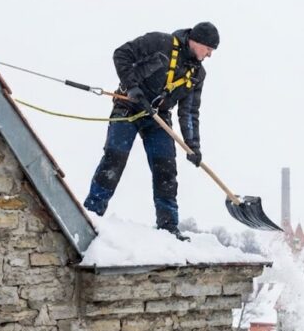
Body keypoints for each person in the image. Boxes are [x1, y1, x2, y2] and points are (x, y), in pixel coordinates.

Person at [83, 22, 219, 241]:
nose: (210, 55)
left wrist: (193, 145)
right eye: (209, 49)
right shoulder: (159, 42)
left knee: (166, 170)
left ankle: (168, 227)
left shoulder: (197, 75)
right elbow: (121, 55)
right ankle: (90, 215)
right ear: (197, 41)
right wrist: (133, 87)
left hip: (158, 117)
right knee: (114, 159)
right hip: (128, 106)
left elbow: (190, 112)